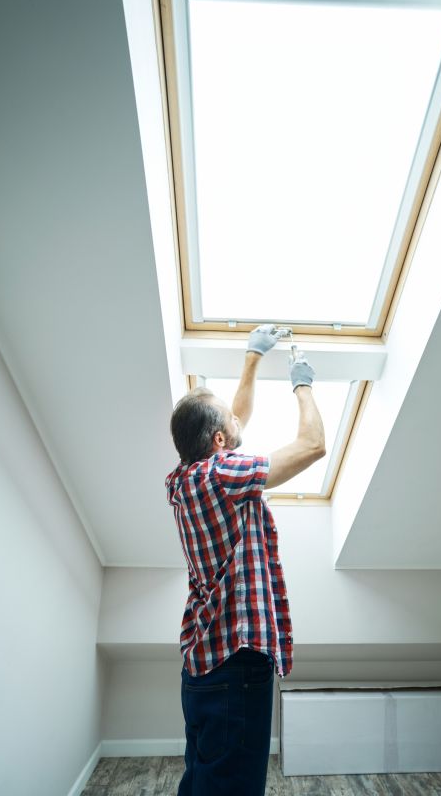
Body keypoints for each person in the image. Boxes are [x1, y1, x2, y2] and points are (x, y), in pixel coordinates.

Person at [165, 324, 325, 796]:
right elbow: (313, 447)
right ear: (218, 442)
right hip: (237, 663)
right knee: (231, 787)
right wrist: (303, 383)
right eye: (229, 430)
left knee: (202, 778)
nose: (238, 427)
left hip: (201, 663)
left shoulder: (180, 481)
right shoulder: (223, 475)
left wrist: (252, 357)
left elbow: (232, 419)